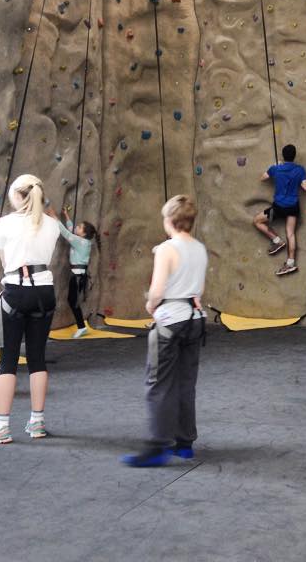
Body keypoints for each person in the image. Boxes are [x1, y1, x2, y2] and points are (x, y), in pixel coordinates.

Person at [0, 174, 60, 444]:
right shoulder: (52, 224)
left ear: (18, 196)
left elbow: (5, 260)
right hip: (44, 292)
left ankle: (1, 425)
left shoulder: (5, 223)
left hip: (16, 291)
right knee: (37, 358)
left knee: (8, 359)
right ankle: (37, 422)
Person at [122, 195, 208, 467]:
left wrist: (150, 305)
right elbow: (198, 289)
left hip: (170, 321)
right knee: (185, 382)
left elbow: (157, 290)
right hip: (195, 320)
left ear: (169, 220)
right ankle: (185, 444)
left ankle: (157, 446)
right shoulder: (200, 248)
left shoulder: (166, 249)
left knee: (158, 382)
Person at [252, 144, 306, 276]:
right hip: (293, 207)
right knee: (291, 233)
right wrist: (299, 180)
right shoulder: (300, 169)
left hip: (278, 208)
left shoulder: (276, 168)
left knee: (257, 221)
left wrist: (274, 166)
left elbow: (263, 178)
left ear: (283, 156)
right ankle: (290, 263)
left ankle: (277, 241)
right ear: (294, 156)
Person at [48, 207, 98, 339]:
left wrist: (55, 217)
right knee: (73, 301)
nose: (77, 227)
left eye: (80, 227)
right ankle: (82, 327)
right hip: (77, 275)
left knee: (73, 301)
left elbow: (66, 233)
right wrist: (66, 216)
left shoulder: (81, 242)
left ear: (84, 233)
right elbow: (71, 231)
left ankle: (82, 327)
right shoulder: (83, 241)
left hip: (77, 277)